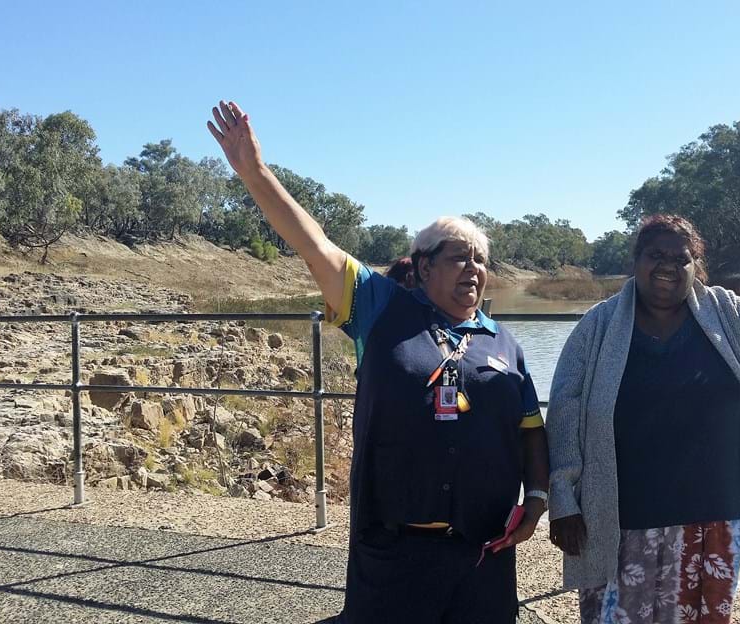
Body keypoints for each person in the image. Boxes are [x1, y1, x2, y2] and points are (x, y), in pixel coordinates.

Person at [206, 101, 549, 624]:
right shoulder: (380, 307)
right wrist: (254, 171)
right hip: (395, 551)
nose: (474, 269)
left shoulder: (502, 341)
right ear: (425, 264)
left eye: (481, 260)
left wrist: (539, 497)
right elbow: (312, 243)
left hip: (485, 552)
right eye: (459, 256)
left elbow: (530, 429)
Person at [546, 212, 740, 624]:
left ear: (697, 267)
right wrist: (563, 499)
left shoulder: (726, 312)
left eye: (682, 258)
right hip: (622, 518)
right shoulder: (597, 326)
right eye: (656, 255)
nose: (668, 267)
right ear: (636, 261)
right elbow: (564, 408)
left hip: (713, 520)